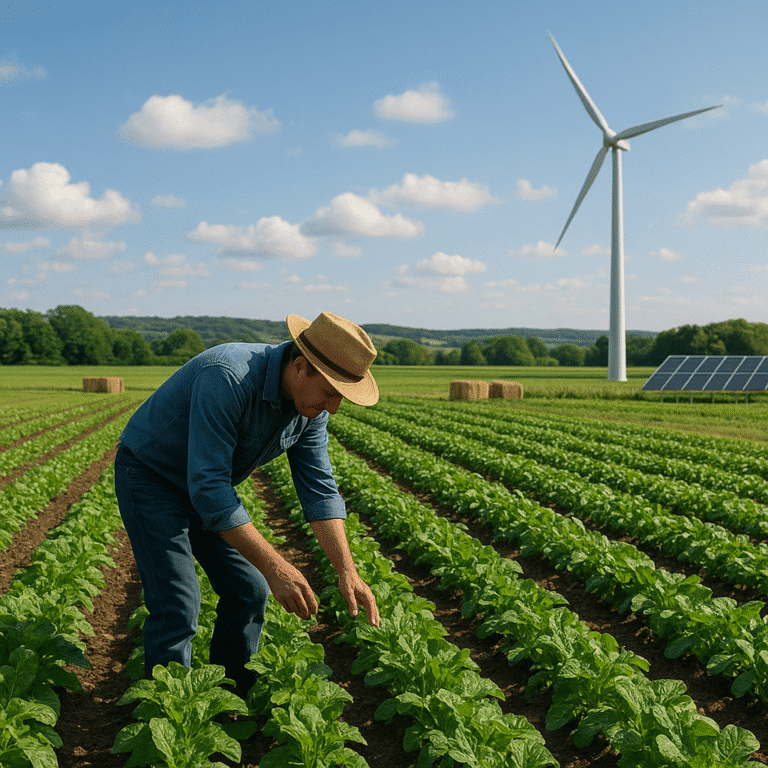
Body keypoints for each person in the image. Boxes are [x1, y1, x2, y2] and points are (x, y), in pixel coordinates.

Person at [114, 311, 381, 693]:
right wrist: (276, 565)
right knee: (178, 604)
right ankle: (168, 706)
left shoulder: (309, 410)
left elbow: (319, 489)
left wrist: (347, 571)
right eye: (331, 393)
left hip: (207, 487)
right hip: (151, 478)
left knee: (249, 590)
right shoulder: (228, 376)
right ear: (301, 366)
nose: (334, 407)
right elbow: (209, 488)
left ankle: (231, 692)